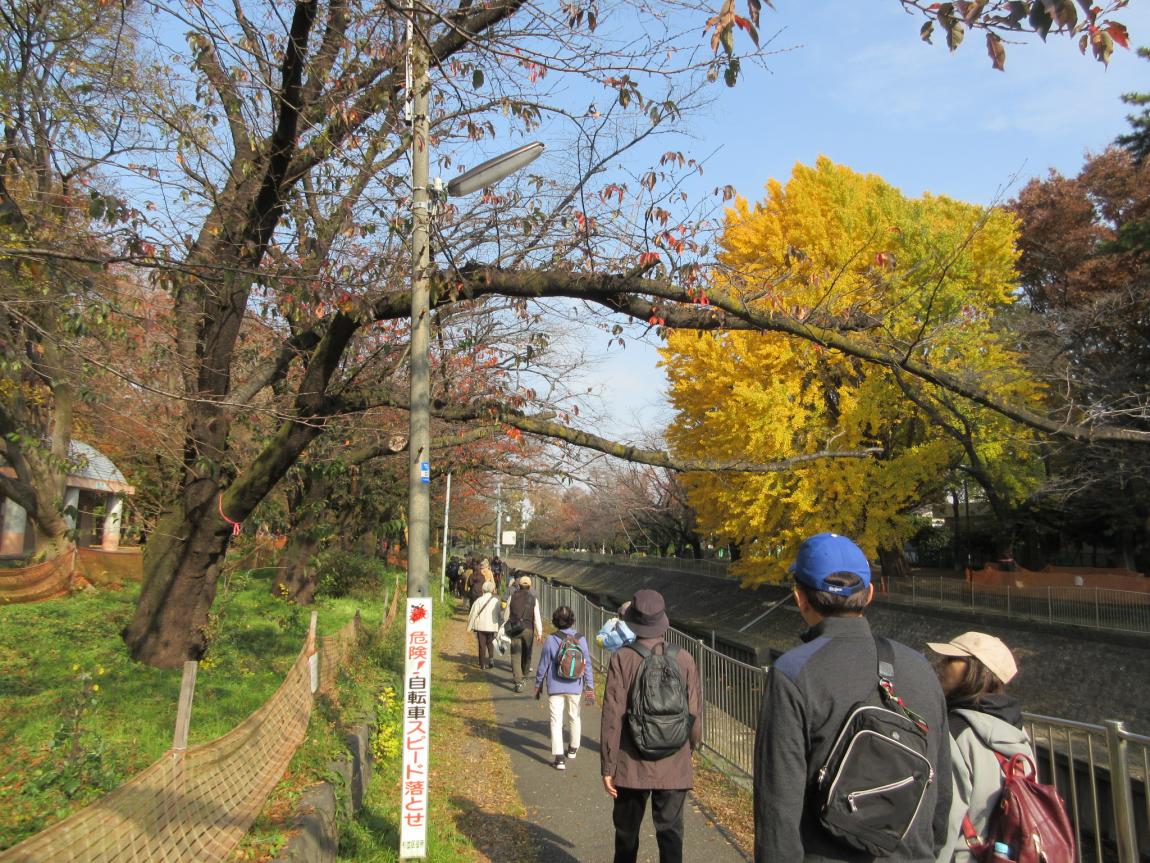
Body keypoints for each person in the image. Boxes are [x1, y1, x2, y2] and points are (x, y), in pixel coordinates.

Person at [752, 532, 952, 862]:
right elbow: (941, 795)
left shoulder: (793, 673)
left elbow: (777, 809)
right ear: (869, 593)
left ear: (800, 597)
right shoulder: (920, 667)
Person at [600, 589, 702, 863]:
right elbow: (694, 713)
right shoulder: (684, 658)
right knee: (671, 836)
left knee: (626, 835)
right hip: (674, 762)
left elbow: (612, 715)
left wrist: (608, 766)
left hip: (631, 762)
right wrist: (687, 750)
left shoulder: (622, 658)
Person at [927, 632, 1033, 863]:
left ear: (976, 670)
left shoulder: (956, 732)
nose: (940, 665)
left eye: (951, 659)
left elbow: (946, 817)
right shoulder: (1018, 731)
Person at [534, 605, 595, 770]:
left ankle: (559, 757)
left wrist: (538, 684)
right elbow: (587, 664)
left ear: (555, 621)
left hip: (555, 686)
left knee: (556, 721)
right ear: (572, 620)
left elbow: (543, 665)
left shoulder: (551, 639)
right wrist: (589, 687)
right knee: (574, 716)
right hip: (575, 686)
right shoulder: (580, 638)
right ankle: (573, 748)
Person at [507, 574, 543, 691]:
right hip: (528, 630)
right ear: (530, 586)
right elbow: (537, 617)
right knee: (527, 655)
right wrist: (539, 632)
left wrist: (507, 624)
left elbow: (506, 614)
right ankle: (524, 676)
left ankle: (518, 682)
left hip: (515, 629)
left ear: (519, 585)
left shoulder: (512, 597)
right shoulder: (533, 599)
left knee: (515, 655)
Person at [466, 580, 502, 669]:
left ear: (483, 589)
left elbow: (473, 614)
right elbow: (499, 614)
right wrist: (500, 625)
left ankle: (482, 664)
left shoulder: (479, 600)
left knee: (482, 645)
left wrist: (469, 627)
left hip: (481, 626)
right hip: (492, 626)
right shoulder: (496, 601)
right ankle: (491, 659)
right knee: (490, 643)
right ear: (492, 590)